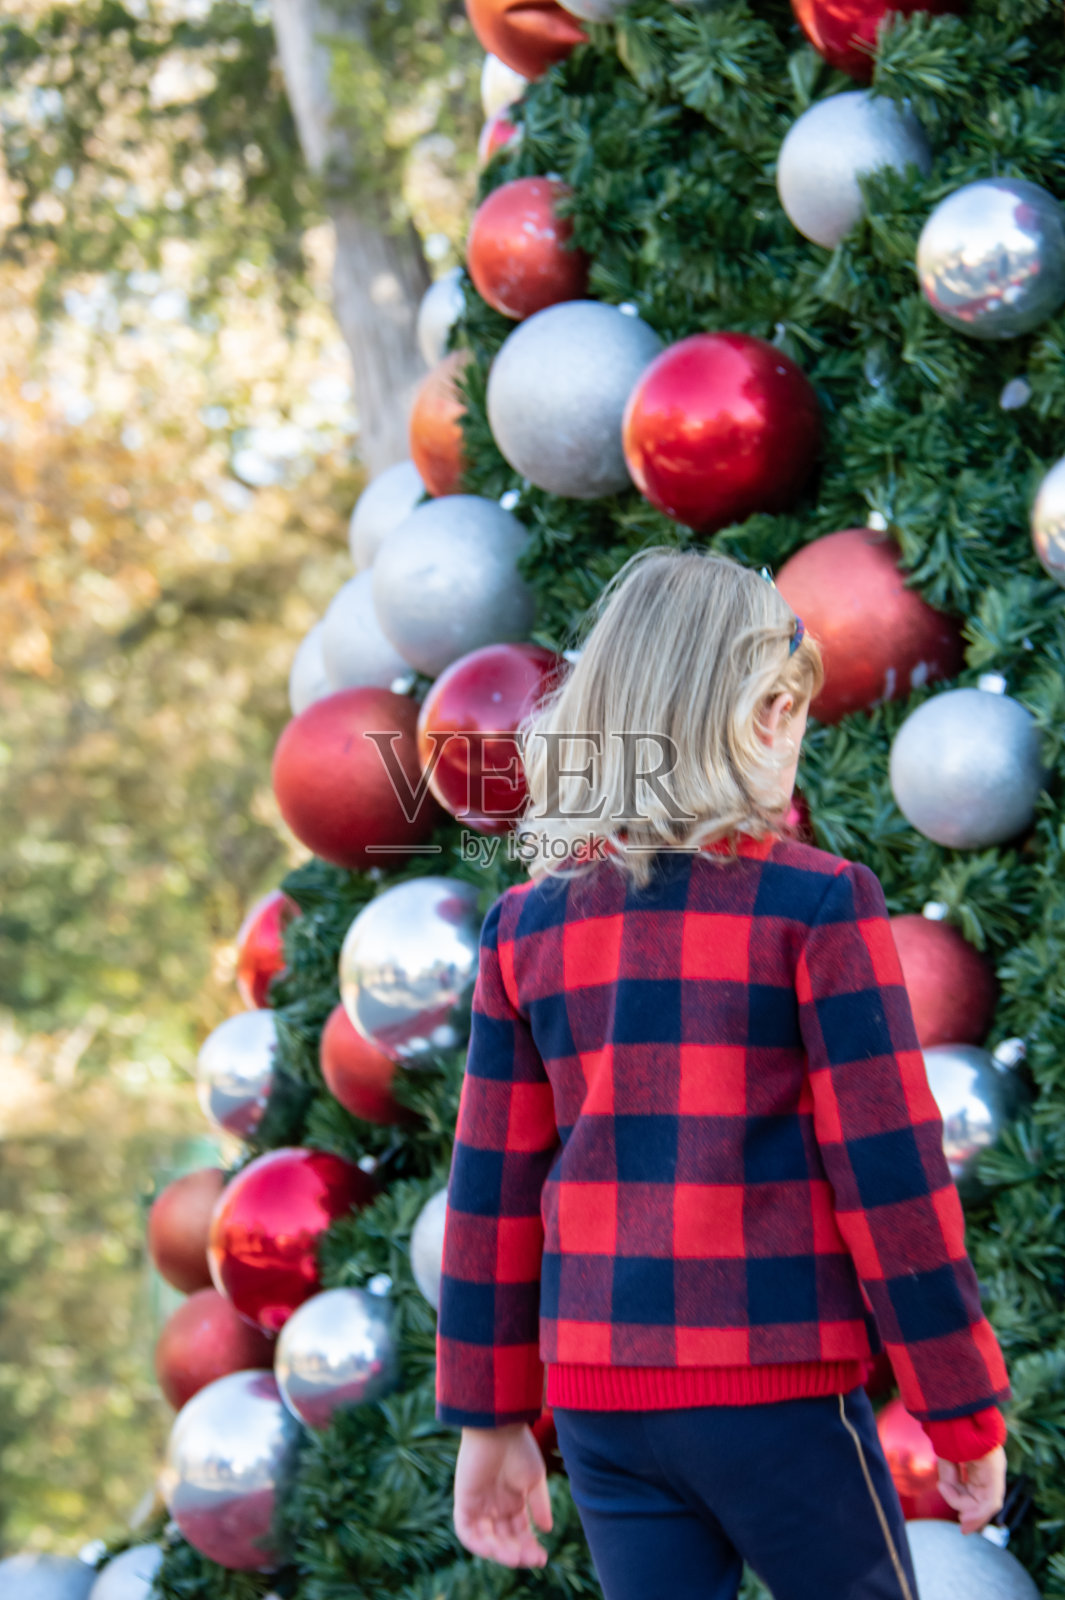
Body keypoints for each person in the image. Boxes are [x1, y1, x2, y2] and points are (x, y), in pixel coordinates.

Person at [434, 549, 1010, 1600]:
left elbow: (490, 1194)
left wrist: (491, 1412)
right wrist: (960, 1403)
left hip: (605, 1407)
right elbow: (893, 1184)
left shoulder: (526, 925)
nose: (795, 737)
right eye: (781, 709)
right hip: (777, 1390)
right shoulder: (818, 905)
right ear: (732, 719)